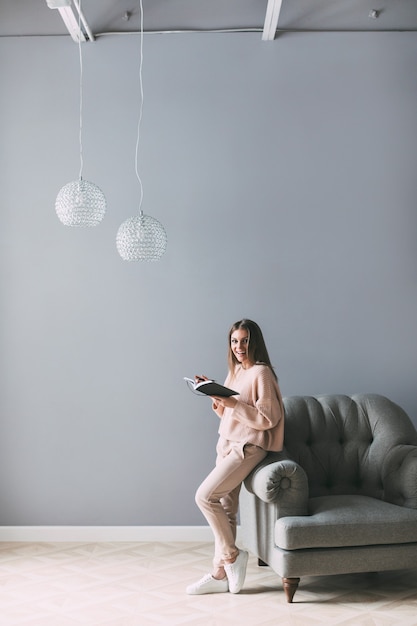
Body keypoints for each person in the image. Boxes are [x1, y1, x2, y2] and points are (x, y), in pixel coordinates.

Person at [186, 319, 284, 595]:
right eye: (234, 341)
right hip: (228, 444)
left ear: (255, 342)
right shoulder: (237, 372)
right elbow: (230, 413)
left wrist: (231, 402)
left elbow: (268, 418)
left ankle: (232, 556)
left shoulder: (261, 373)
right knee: (226, 510)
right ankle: (220, 574)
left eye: (245, 340)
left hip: (248, 447)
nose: (239, 347)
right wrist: (214, 396)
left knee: (205, 496)